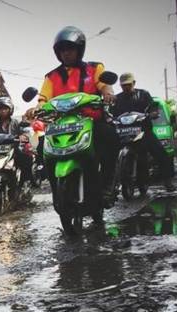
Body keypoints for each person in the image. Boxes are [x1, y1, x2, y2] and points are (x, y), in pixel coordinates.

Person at [38, 26, 120, 211]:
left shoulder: (94, 69)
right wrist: (35, 109)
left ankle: (108, 184)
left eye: (70, 49)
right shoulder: (51, 77)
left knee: (111, 138)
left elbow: (105, 86)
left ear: (79, 49)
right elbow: (43, 100)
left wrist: (108, 93)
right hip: (61, 125)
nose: (66, 53)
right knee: (41, 148)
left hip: (90, 122)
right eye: (62, 50)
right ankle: (56, 192)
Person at [111, 72, 175, 191]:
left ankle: (168, 181)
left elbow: (153, 107)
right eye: (123, 85)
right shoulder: (117, 99)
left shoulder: (143, 95)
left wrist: (153, 113)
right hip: (124, 133)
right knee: (108, 154)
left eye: (128, 85)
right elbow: (111, 112)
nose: (126, 87)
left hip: (143, 132)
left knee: (162, 154)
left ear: (134, 83)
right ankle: (110, 185)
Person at [0, 97, 32, 187]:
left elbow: (23, 133)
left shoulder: (16, 123)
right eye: (1, 108)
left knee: (26, 159)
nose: (3, 111)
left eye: (5, 108)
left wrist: (23, 136)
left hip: (13, 150)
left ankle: (24, 183)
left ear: (10, 109)